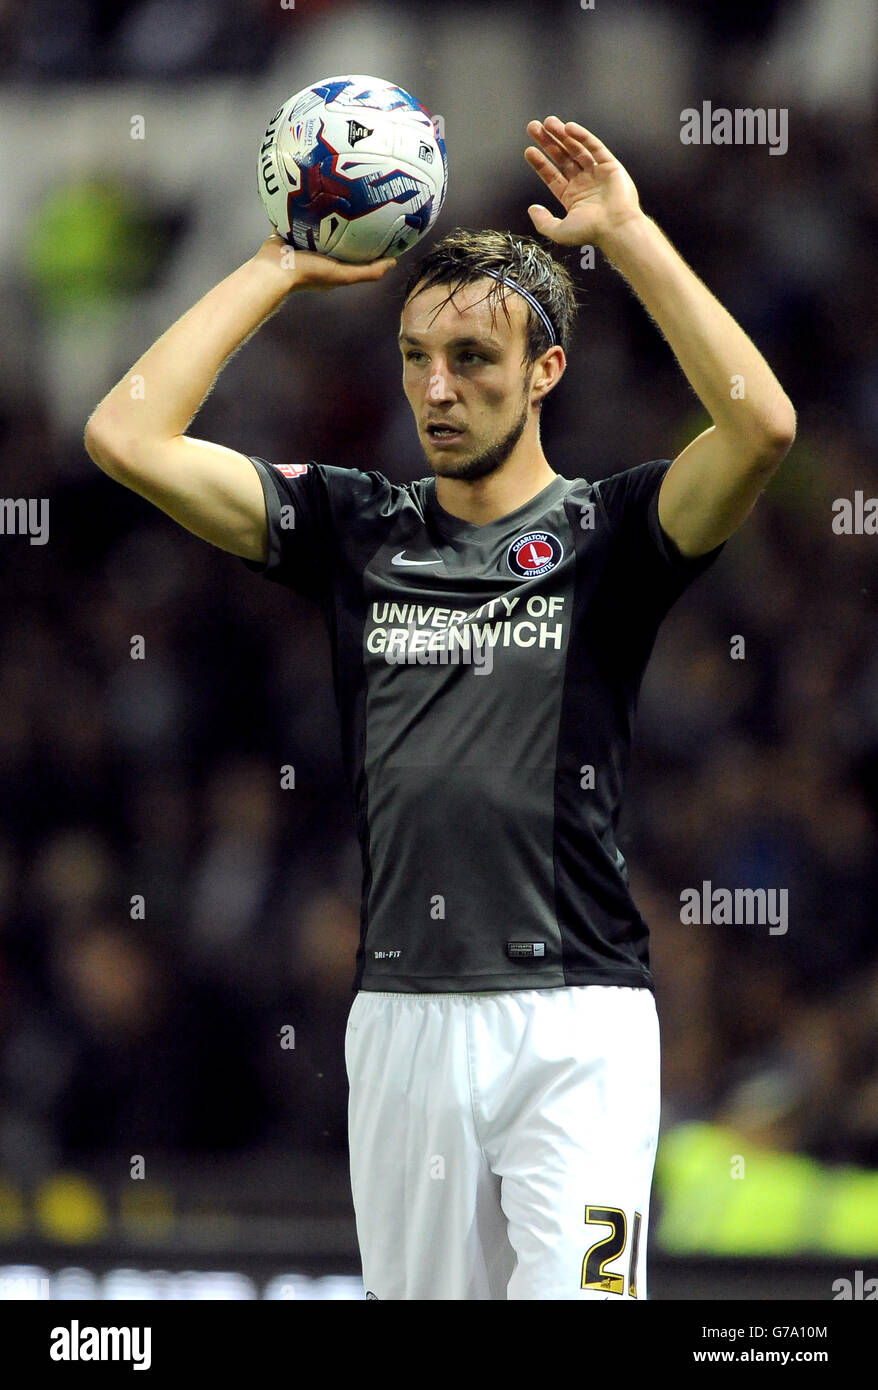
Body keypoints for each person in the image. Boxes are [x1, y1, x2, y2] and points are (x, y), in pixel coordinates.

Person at [84, 116, 796, 1299]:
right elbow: (124, 435)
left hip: (579, 1024)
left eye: (472, 358)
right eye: (417, 357)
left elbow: (760, 425)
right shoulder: (357, 527)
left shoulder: (610, 535)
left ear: (545, 371)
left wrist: (624, 234)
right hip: (406, 1015)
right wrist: (276, 267)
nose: (436, 388)